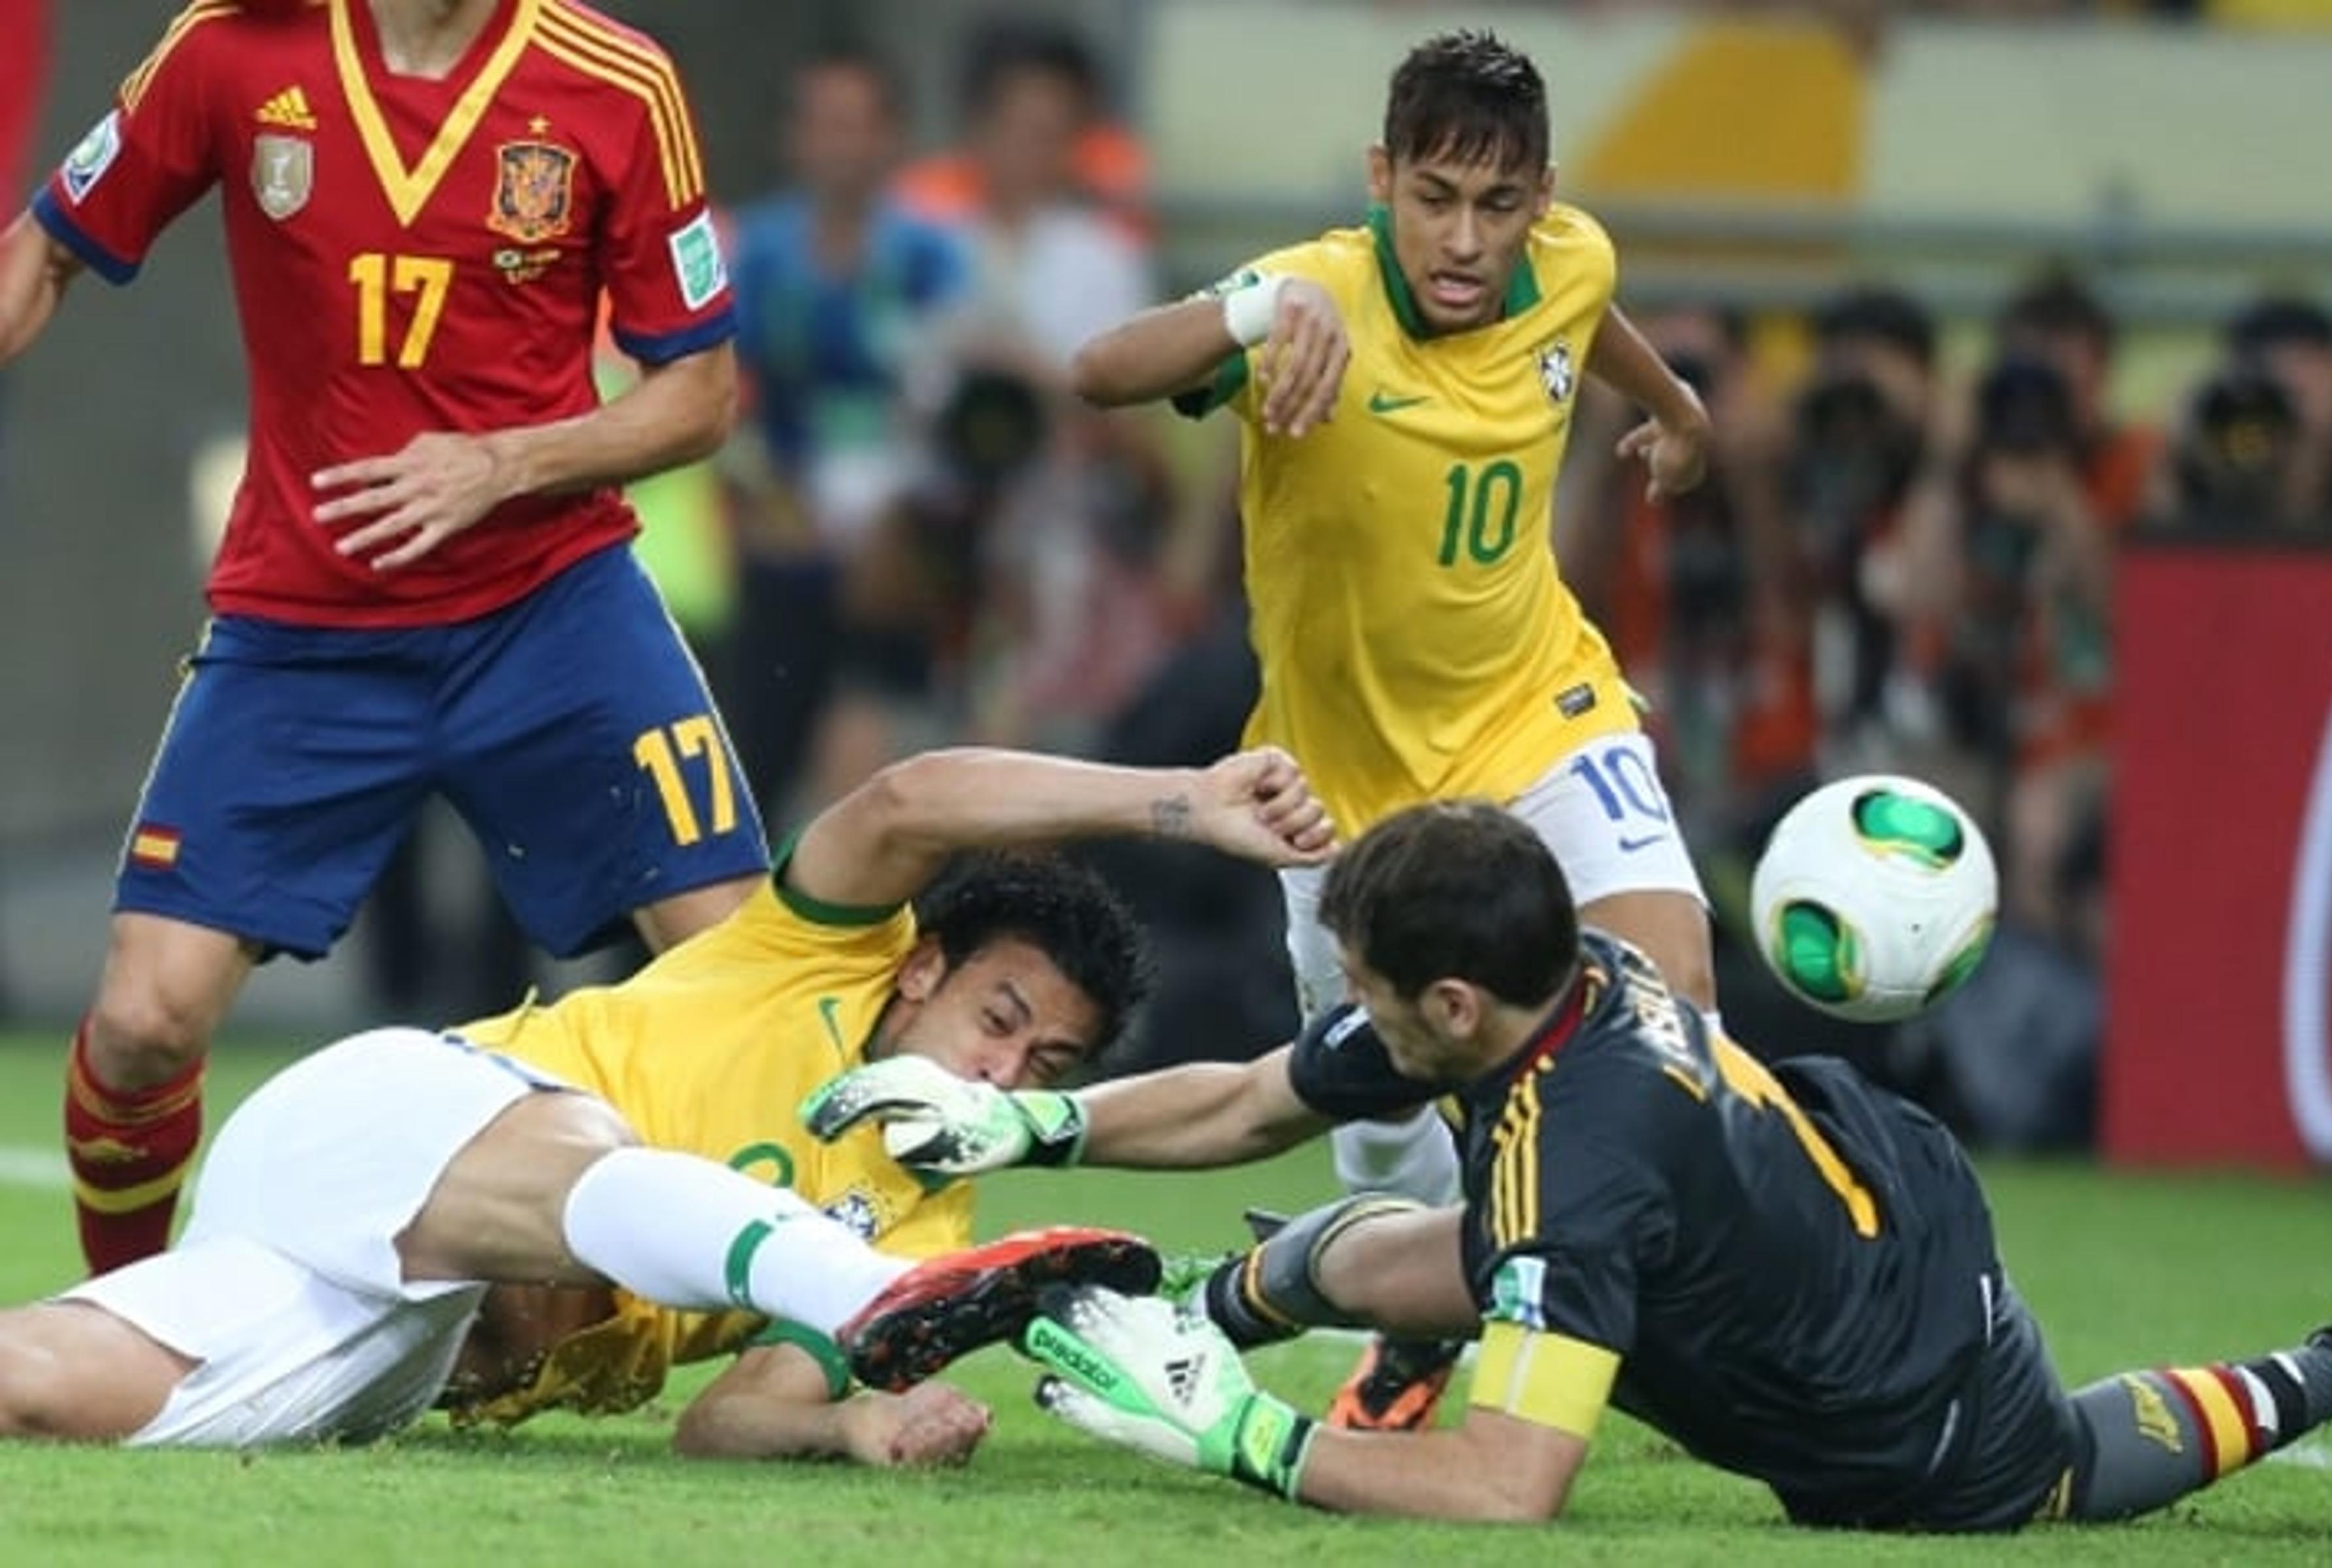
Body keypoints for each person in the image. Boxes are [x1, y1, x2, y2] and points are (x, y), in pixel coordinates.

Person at [810, 798, 2332, 1527]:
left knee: (2047, 1471)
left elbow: (1505, 1486)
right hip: (1829, 1167)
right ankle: (1209, 1300)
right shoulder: (1553, 972)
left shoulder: (1576, 1156)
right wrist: (1038, 1121)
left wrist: (1234, 1432)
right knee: (1373, 1246)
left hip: (1910, 1396)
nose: (1359, 1023)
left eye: (1380, 1000)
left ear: (1451, 998)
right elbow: (1258, 1096)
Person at [0, 0, 770, 1275]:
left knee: (751, 980)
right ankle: (134, 1316)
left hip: (552, 607)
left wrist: (502, 462)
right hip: (304, 626)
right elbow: (43, 251)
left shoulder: (617, 82)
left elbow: (700, 393)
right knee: (143, 1022)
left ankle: (819, 1335)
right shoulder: (232, 50)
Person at [0, 742, 1338, 1457]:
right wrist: (1182, 801)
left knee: (47, 1393)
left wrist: (861, 1425)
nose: (1000, 1073)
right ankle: (845, 1291)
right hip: (393, 1123)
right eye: (998, 1020)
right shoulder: (811, 949)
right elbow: (912, 794)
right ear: (921, 967)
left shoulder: (927, 1216)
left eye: (1046, 1069)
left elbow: (729, 1420)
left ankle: (857, 1312)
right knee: (600, 1152)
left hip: (400, 1324)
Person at [1064, 27, 1715, 1429]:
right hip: (1342, 790)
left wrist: (1673, 410)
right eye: (1433, 197)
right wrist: (1250, 321)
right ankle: (1416, 1321)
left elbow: (1589, 315)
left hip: (1541, 711)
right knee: (1383, 1131)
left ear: (1542, 196)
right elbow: (1103, 369)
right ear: (1382, 179)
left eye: (1498, 205)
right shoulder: (1314, 293)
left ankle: (1687, 1326)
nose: (1466, 240)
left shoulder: (1575, 257)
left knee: (1679, 1024)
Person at [719, 39, 976, 830]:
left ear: (893, 136)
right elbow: (719, 396)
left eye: (859, 124)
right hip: (780, 539)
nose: (842, 145)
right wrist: (761, 504)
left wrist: (911, 522)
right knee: (748, 762)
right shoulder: (753, 251)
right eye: (824, 124)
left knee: (880, 758)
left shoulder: (933, 254)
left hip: (904, 550)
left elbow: (962, 403)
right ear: (793, 138)